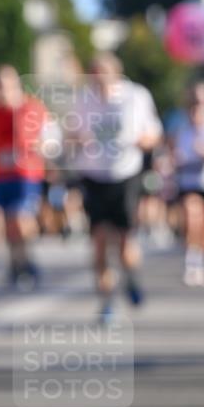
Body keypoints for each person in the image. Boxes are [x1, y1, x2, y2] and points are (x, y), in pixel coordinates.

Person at [71, 53, 162, 321]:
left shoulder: (136, 96)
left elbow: (153, 133)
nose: (99, 81)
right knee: (98, 242)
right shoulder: (83, 99)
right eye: (94, 75)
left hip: (125, 174)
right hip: (93, 175)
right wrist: (79, 140)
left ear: (116, 74)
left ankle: (131, 277)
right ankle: (106, 299)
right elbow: (71, 134)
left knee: (124, 243)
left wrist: (139, 141)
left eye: (103, 75)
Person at [0, 66, 49, 289]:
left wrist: (17, 110)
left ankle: (26, 258)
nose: (3, 90)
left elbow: (38, 136)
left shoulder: (31, 108)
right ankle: (16, 263)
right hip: (0, 174)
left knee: (20, 219)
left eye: (8, 85)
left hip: (25, 174)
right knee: (8, 223)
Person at [171, 81, 204, 286]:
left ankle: (201, 258)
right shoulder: (182, 129)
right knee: (193, 219)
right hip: (189, 182)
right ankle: (192, 262)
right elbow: (173, 154)